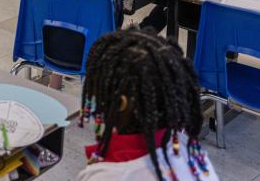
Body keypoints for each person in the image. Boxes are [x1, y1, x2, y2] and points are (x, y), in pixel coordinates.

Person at [78, 29, 217, 181]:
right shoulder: (189, 150)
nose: (94, 95)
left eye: (100, 88)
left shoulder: (110, 175)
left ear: (121, 103)